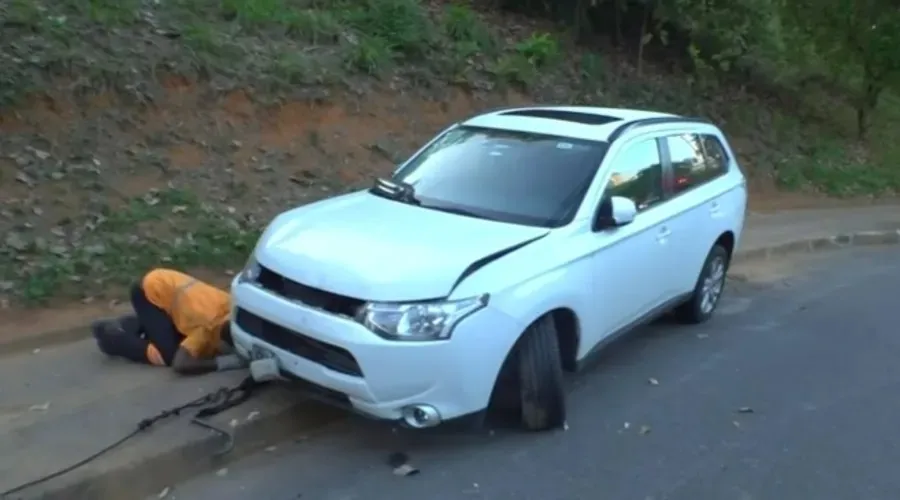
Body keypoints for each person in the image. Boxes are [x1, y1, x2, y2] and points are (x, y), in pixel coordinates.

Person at [92, 268, 247, 375]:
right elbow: (180, 364)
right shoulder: (207, 327)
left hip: (169, 288)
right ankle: (111, 338)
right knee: (168, 355)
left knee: (182, 338)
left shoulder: (233, 305)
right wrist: (226, 363)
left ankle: (140, 322)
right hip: (149, 291)